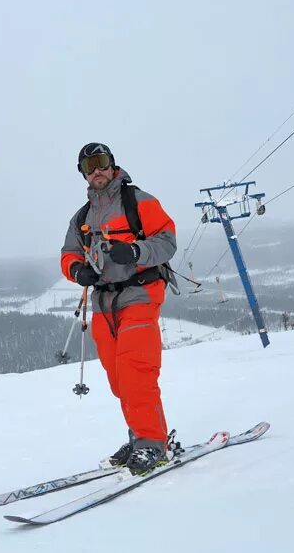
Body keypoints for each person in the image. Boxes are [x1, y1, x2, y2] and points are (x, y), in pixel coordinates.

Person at [60, 142, 177, 474]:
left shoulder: (138, 201)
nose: (96, 170)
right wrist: (76, 270)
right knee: (117, 378)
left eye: (101, 162)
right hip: (103, 302)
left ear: (113, 164)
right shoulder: (82, 217)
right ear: (83, 173)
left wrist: (136, 251)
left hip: (139, 293)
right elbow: (68, 254)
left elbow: (167, 241)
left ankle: (153, 444)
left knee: (135, 369)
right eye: (89, 166)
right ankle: (139, 434)